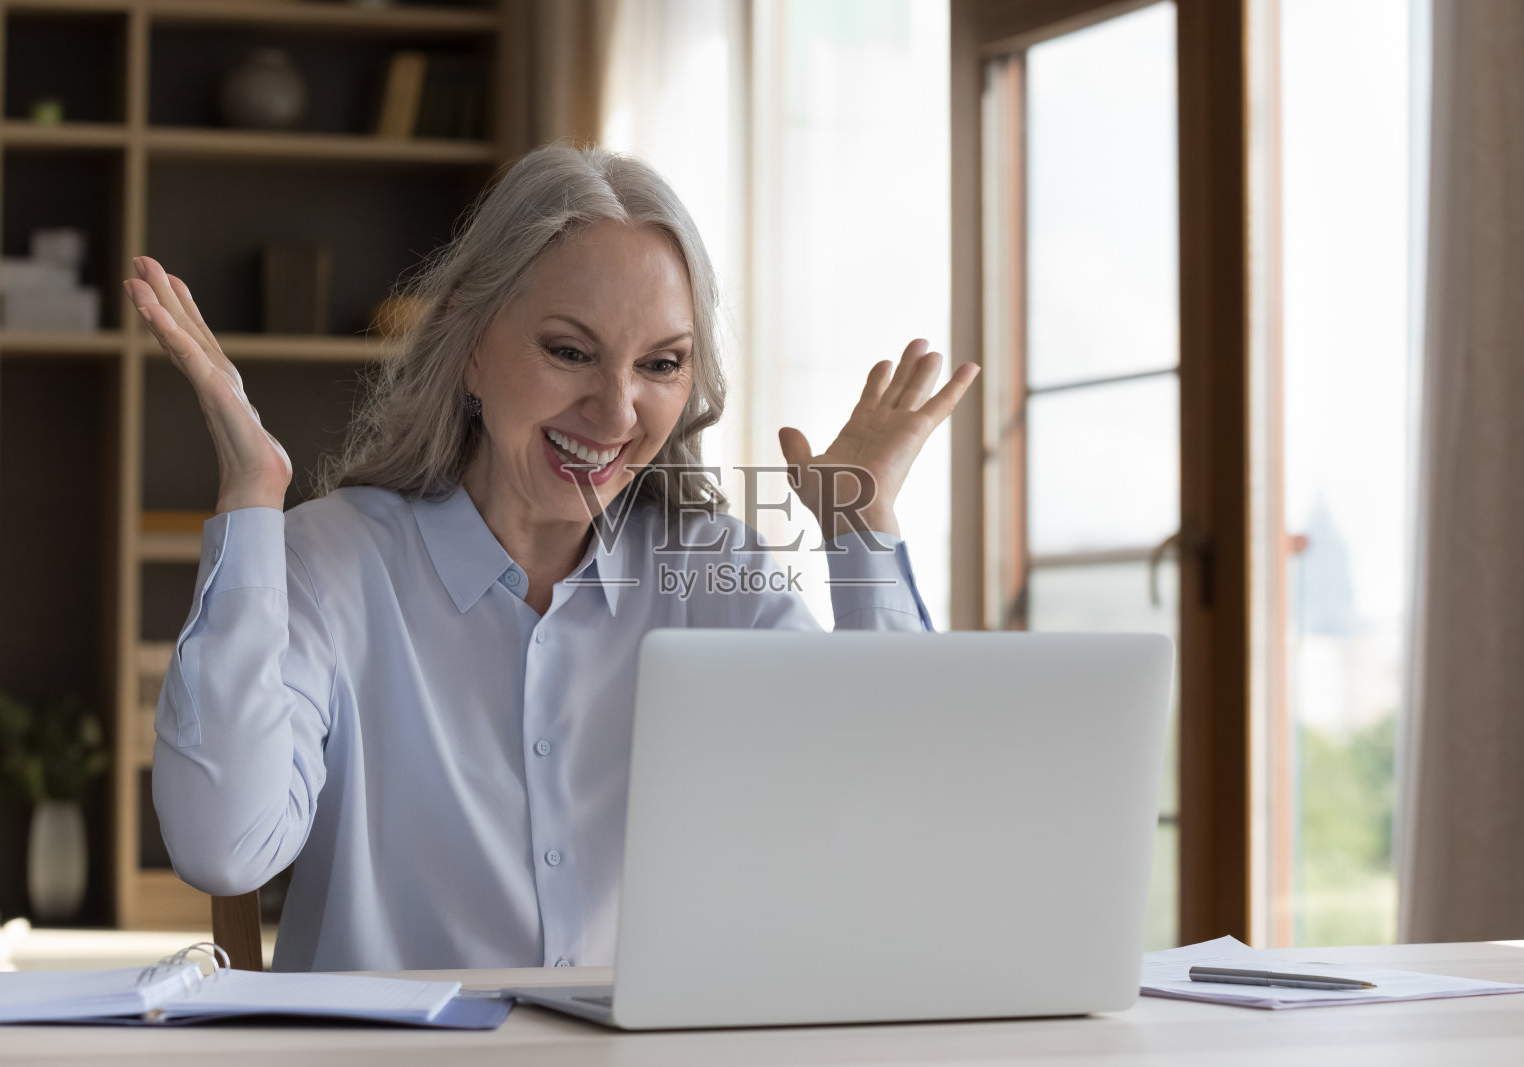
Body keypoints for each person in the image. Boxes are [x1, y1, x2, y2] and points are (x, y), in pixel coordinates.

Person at [126, 143, 979, 973]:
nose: (615, 411)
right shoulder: (328, 561)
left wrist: (861, 527)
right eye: (569, 351)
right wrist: (249, 497)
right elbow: (225, 848)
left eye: (662, 363)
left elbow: (893, 825)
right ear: (468, 343)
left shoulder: (721, 574)